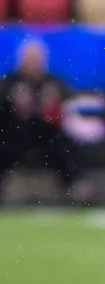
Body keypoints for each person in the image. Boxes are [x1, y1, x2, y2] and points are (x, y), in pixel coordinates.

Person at [0, 39, 92, 205]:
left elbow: (69, 105)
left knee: (65, 147)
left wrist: (53, 103)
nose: (32, 63)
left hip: (47, 134)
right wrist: (12, 104)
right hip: (15, 133)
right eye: (29, 59)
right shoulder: (9, 82)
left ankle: (78, 187)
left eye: (36, 59)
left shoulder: (52, 82)